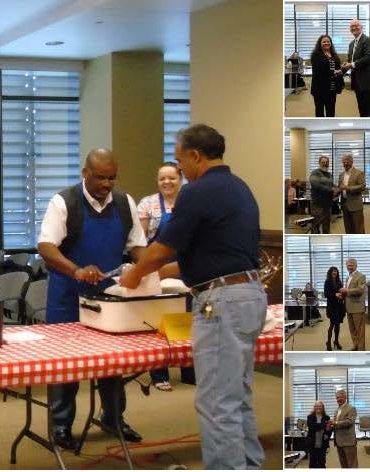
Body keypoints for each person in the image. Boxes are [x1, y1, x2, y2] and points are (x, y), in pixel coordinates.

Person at [120, 124, 265, 469]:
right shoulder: (240, 187)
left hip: (222, 304)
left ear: (195, 156)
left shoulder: (196, 192)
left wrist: (134, 274)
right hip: (249, 295)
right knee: (237, 397)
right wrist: (155, 273)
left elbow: (161, 250)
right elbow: (209, 257)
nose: (179, 168)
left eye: (180, 159)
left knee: (216, 403)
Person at [38, 149, 148, 453]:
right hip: (67, 295)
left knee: (113, 362)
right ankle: (60, 423)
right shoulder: (64, 202)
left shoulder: (125, 203)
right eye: (100, 177)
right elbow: (46, 246)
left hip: (108, 297)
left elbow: (137, 246)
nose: (107, 183)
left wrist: (146, 266)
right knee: (65, 365)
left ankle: (113, 417)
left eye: (112, 177)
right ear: (85, 173)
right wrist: (75, 269)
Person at [138, 162, 184, 391]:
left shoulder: (190, 201)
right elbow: (140, 240)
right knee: (157, 319)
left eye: (172, 178)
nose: (167, 182)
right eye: (162, 179)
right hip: (157, 264)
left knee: (187, 317)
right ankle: (158, 372)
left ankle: (189, 368)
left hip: (185, 265)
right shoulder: (148, 204)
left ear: (181, 179)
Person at [343, 19, 370, 117]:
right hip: (357, 82)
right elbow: (351, 61)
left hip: (369, 81)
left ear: (361, 27)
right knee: (362, 108)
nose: (354, 28)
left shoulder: (366, 40)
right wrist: (345, 66)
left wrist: (351, 64)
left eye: (356, 25)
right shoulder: (351, 44)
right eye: (352, 26)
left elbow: (368, 57)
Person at [309, 34, 343, 117]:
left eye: (328, 41)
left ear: (331, 43)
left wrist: (342, 68)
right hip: (320, 88)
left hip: (332, 88)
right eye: (324, 42)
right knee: (319, 111)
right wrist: (335, 72)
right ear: (320, 44)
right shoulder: (316, 55)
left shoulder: (334, 54)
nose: (326, 43)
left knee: (331, 111)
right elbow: (320, 71)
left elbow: (337, 67)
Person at [340, 258, 367, 350]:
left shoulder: (361, 276)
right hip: (348, 307)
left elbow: (360, 290)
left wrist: (347, 290)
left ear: (356, 265)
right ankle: (355, 345)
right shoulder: (348, 277)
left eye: (351, 265)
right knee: (352, 329)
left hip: (357, 308)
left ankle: (361, 349)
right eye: (348, 265)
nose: (349, 267)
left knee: (360, 330)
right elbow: (348, 292)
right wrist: (342, 294)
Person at [338, 154, 366, 234]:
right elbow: (340, 187)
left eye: (347, 161)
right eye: (344, 162)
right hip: (344, 205)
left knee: (358, 228)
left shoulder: (359, 173)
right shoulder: (341, 175)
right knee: (348, 228)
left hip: (355, 205)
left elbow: (363, 186)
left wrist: (348, 188)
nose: (345, 164)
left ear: (352, 162)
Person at [332, 389, 359, 468]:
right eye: (337, 398)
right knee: (343, 464)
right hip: (339, 442)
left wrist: (335, 423)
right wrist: (332, 424)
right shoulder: (337, 410)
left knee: (352, 464)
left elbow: (349, 422)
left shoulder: (351, 408)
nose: (338, 399)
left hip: (348, 442)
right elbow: (336, 424)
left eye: (340, 397)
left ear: (345, 397)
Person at [308, 155, 334, 234]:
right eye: (323, 162)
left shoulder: (329, 174)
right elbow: (316, 185)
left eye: (326, 162)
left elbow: (332, 185)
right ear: (319, 163)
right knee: (315, 226)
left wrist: (337, 189)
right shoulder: (315, 173)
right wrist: (330, 189)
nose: (325, 164)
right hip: (317, 205)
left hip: (327, 205)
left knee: (326, 227)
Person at [323, 266, 345, 351]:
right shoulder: (327, 282)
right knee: (332, 324)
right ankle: (328, 342)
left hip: (339, 306)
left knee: (338, 324)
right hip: (332, 306)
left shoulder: (339, 281)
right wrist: (335, 295)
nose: (334, 272)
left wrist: (341, 295)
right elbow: (326, 294)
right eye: (333, 271)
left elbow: (342, 292)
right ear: (330, 272)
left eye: (336, 271)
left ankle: (336, 341)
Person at [306, 401, 332, 469]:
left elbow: (329, 429)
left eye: (320, 406)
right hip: (312, 443)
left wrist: (327, 434)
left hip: (323, 442)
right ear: (314, 408)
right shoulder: (310, 417)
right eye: (316, 406)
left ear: (323, 407)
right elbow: (312, 427)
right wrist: (323, 424)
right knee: (312, 463)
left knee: (322, 462)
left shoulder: (327, 417)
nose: (318, 407)